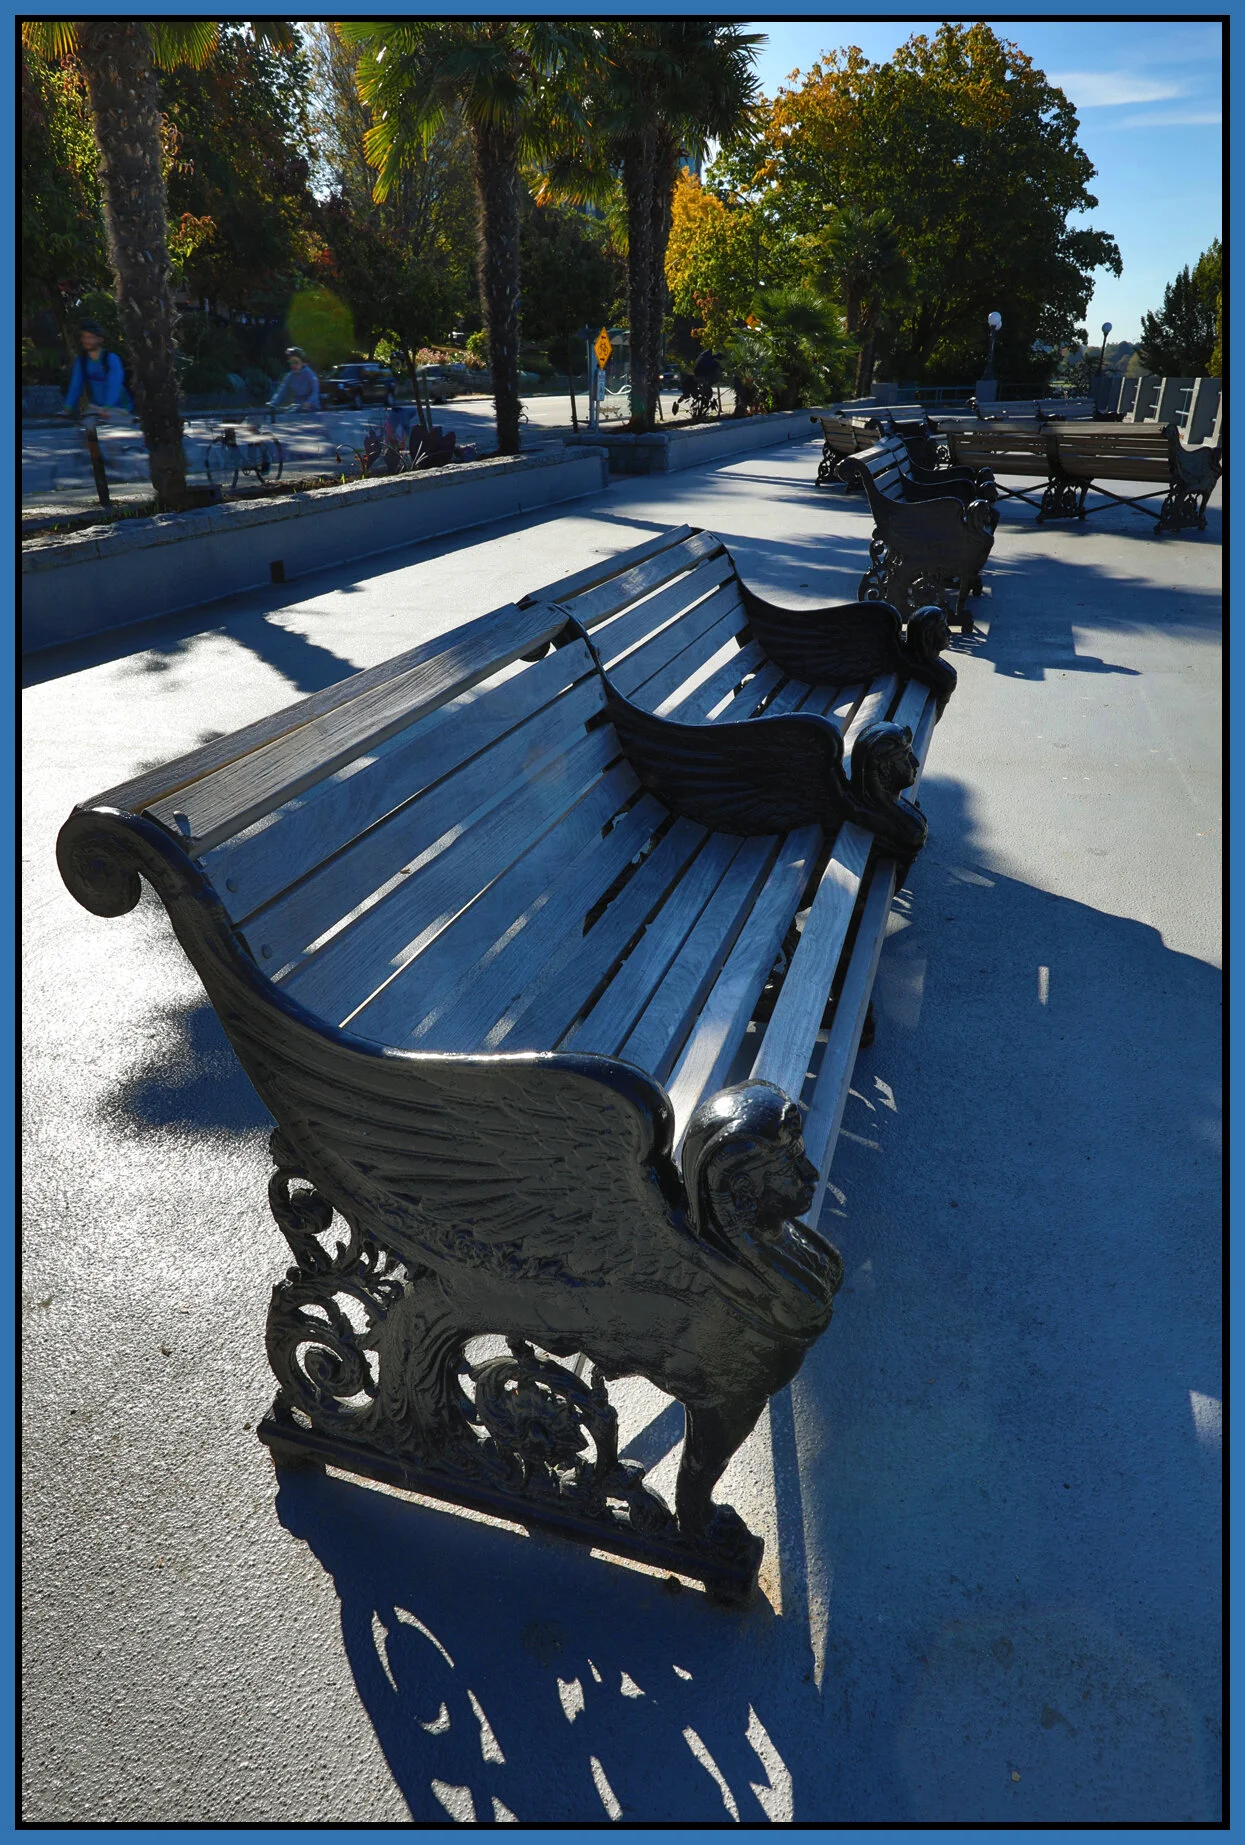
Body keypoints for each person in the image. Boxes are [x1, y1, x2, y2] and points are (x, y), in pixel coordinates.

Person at [61, 320, 130, 419]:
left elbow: (114, 384)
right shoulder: (82, 361)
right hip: (97, 408)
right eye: (84, 337)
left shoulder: (111, 358)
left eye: (90, 337)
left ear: (100, 339)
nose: (86, 340)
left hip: (119, 408)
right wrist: (67, 408)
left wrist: (108, 406)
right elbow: (76, 385)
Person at [269, 346, 321, 413]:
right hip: (298, 407)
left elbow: (315, 392)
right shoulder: (290, 376)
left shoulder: (310, 375)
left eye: (296, 362)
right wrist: (273, 403)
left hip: (312, 409)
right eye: (291, 362)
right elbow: (282, 391)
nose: (293, 365)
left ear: (303, 363)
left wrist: (309, 402)